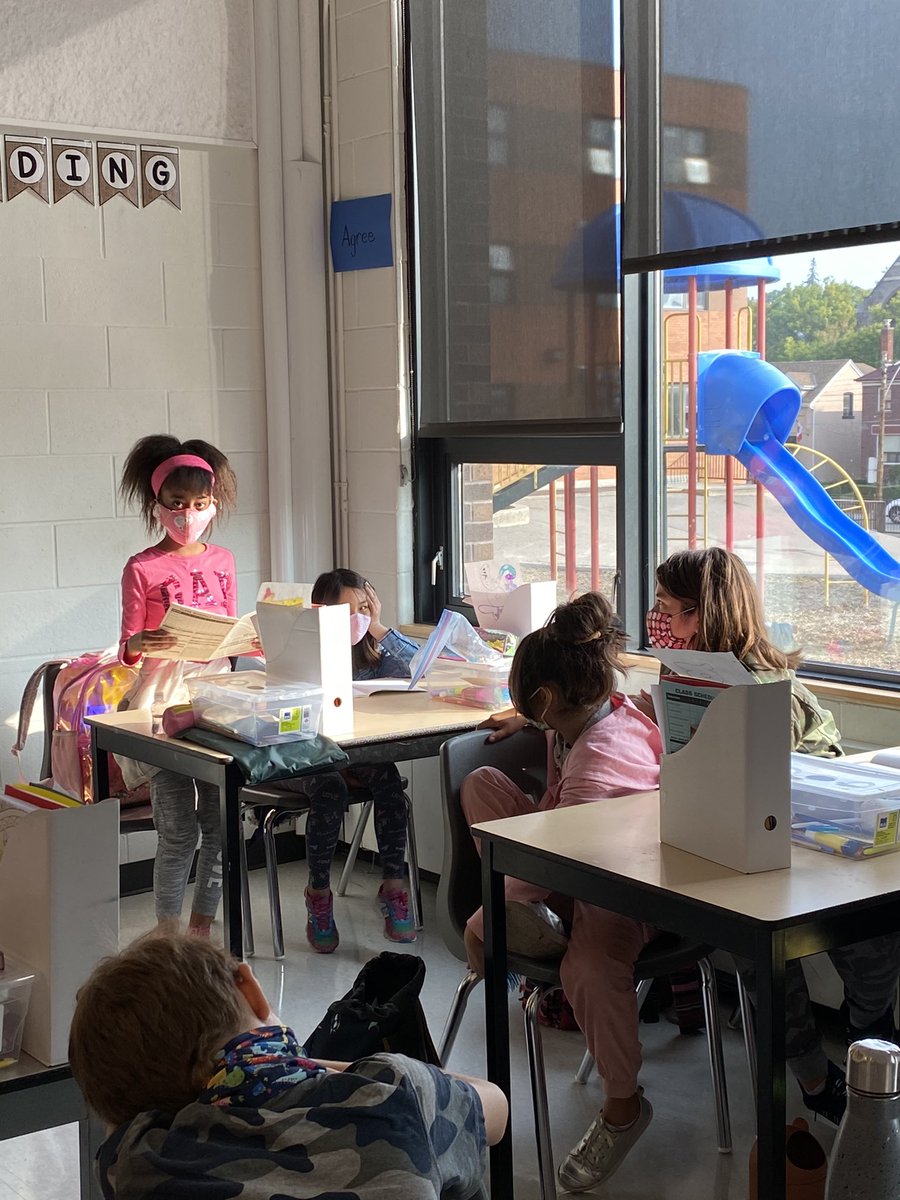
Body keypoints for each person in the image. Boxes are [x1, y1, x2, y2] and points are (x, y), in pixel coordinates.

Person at [648, 548, 900, 1127]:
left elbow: (775, 785)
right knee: (758, 951)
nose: (659, 621)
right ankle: (816, 1077)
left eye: (668, 609)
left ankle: (869, 1048)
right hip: (742, 848)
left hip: (818, 843)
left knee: (869, 942)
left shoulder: (765, 686)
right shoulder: (686, 673)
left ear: (701, 613)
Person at [460, 591, 665, 1193]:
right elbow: (554, 839)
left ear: (548, 696)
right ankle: (530, 916)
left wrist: (483, 921)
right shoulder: (592, 711)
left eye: (523, 696)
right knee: (484, 784)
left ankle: (623, 1107)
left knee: (592, 963)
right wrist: (526, 718)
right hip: (570, 851)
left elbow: (559, 862)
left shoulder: (606, 758)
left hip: (622, 884)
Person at [68, 935, 507, 1200]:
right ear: (252, 989)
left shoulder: (135, 1164)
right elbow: (495, 1105)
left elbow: (118, 1118)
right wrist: (299, 1063)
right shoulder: (393, 1094)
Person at [118, 435, 239, 938]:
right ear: (158, 507)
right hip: (162, 698)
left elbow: (231, 631)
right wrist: (144, 638)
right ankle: (168, 940)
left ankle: (201, 934)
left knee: (217, 827)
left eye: (200, 504)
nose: (189, 514)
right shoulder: (141, 567)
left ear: (212, 504)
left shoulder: (224, 560)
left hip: (214, 693)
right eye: (177, 505)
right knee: (178, 830)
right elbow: (127, 649)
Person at [278, 568, 420, 952]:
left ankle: (394, 886)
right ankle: (318, 892)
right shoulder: (297, 651)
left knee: (388, 780)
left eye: (363, 608)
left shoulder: (371, 654)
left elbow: (415, 668)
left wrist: (378, 626)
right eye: (347, 611)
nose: (356, 618)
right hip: (302, 757)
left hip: (354, 755)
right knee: (329, 788)